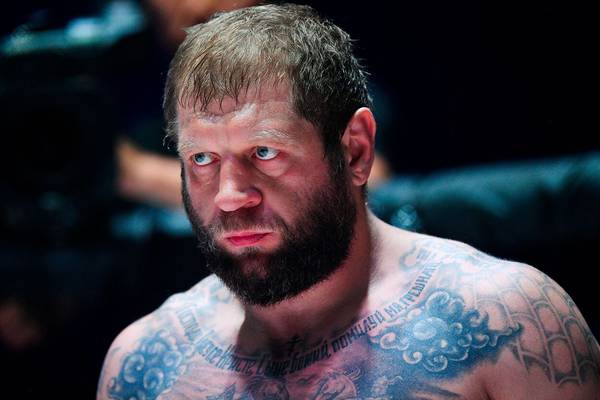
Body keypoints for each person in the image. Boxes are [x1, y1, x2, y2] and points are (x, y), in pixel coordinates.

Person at [97, 4, 600, 399]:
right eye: (203, 158)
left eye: (265, 152)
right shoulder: (145, 362)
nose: (230, 196)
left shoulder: (505, 322)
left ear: (354, 150)